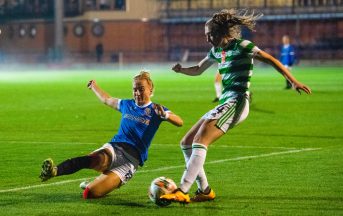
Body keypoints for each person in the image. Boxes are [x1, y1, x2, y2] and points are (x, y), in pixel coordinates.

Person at [160, 9, 311, 204]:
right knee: (186, 142)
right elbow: (198, 69)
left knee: (200, 140)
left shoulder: (243, 46)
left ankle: (182, 189)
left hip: (238, 101)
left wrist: (293, 81)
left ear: (222, 32)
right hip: (226, 102)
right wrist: (181, 70)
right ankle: (205, 190)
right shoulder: (216, 51)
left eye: (210, 34)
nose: (207, 39)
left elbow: (271, 59)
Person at [39, 71, 183, 199]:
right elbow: (107, 99)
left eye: (141, 89)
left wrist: (165, 115)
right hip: (115, 148)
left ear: (150, 89)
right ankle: (55, 171)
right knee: (95, 160)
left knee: (90, 194)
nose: (137, 93)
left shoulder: (156, 110)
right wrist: (94, 86)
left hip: (130, 162)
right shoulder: (127, 104)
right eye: (134, 89)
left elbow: (179, 122)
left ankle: (99, 183)